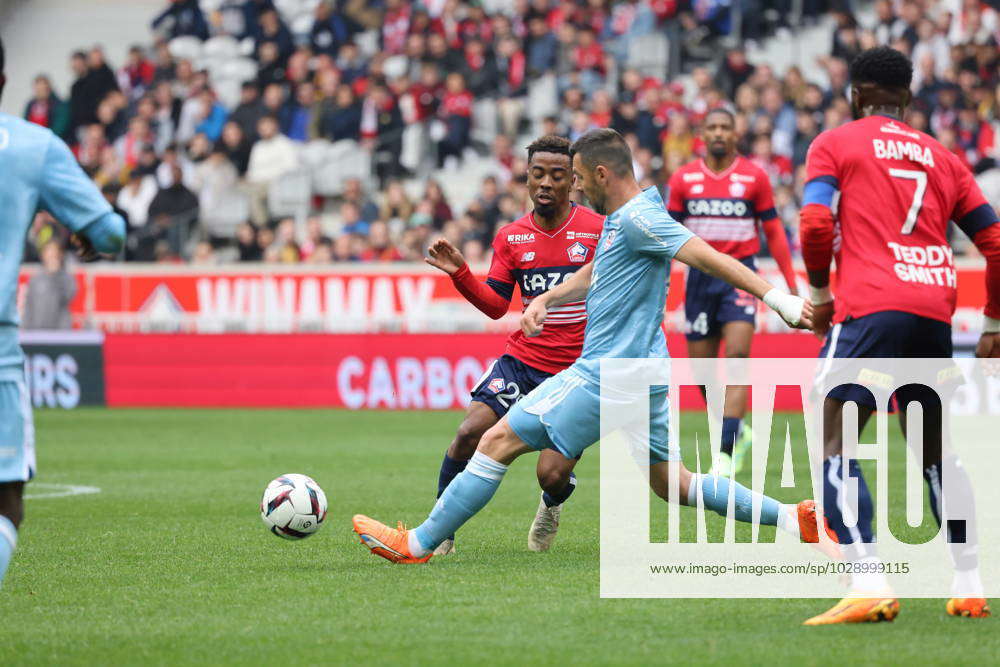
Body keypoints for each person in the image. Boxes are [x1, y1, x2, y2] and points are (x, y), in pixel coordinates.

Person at [352, 128, 829, 567]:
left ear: (602, 174)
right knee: (674, 484)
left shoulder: (641, 220)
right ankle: (795, 518)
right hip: (646, 374)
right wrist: (548, 298)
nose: (574, 189)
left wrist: (777, 298)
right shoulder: (624, 218)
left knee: (495, 440)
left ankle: (417, 544)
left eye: (577, 178)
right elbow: (597, 270)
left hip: (608, 373)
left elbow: (707, 255)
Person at [799, 47, 1000, 625]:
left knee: (834, 438)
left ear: (856, 95)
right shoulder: (944, 158)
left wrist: (818, 295)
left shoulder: (837, 143)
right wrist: (992, 324)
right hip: (933, 312)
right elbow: (994, 242)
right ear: (908, 98)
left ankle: (868, 580)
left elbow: (815, 221)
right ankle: (970, 583)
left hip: (870, 310)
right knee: (936, 451)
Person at [422, 135, 604, 555]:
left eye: (556, 175)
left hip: (576, 371)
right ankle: (440, 529)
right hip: (522, 362)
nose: (544, 183)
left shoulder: (596, 230)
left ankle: (552, 503)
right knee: (468, 433)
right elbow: (495, 306)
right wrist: (461, 274)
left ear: (573, 181)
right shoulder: (511, 237)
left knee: (551, 475)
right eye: (536, 173)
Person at [0, 37, 126, 589]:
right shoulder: (29, 145)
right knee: (6, 503)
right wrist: (86, 227)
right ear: (7, 82)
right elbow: (111, 232)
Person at [667, 108, 799, 476]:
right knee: (703, 373)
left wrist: (789, 285)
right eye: (713, 127)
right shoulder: (683, 180)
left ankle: (724, 451)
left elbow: (773, 231)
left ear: (735, 133)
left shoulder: (754, 177)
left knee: (738, 357)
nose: (720, 132)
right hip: (699, 281)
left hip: (741, 279)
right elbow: (666, 235)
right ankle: (737, 432)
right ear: (702, 134)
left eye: (726, 126)